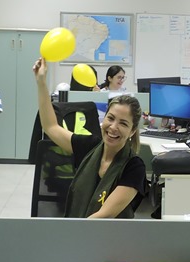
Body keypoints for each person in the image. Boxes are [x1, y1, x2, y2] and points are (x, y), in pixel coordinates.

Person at [33, 57, 146, 218]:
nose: (113, 127)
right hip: (79, 229)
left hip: (108, 238)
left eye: (123, 123)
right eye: (111, 118)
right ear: (104, 118)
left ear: (133, 131)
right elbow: (51, 127)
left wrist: (72, 234)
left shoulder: (134, 167)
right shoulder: (90, 146)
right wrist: (41, 83)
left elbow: (103, 215)